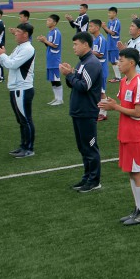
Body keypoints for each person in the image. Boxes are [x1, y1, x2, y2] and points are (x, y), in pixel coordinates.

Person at [98, 48, 140, 225]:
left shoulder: (139, 83)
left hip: (135, 135)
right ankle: (138, 208)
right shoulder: (124, 81)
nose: (118, 63)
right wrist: (110, 104)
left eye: (121, 61)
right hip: (125, 133)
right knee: (131, 172)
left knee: (138, 172)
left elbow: (138, 112)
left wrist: (115, 108)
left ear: (132, 63)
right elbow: (122, 104)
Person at [60, 32, 104, 192]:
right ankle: (87, 177)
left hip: (86, 112)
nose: (73, 48)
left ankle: (94, 180)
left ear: (86, 44)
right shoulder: (82, 63)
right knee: (83, 148)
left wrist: (69, 75)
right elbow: (75, 83)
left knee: (90, 148)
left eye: (76, 44)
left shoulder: (91, 63)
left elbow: (84, 86)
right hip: (79, 111)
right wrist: (70, 74)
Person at [0, 22, 36, 157]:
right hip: (16, 88)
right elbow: (6, 63)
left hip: (22, 89)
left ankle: (28, 148)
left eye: (18, 31)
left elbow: (11, 64)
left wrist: (2, 55)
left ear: (25, 34)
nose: (15, 33)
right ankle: (23, 145)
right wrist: (2, 55)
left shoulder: (28, 49)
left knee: (26, 119)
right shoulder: (19, 47)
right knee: (21, 120)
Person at [37, 15, 63, 106]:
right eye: (47, 20)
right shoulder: (50, 32)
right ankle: (56, 98)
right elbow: (49, 45)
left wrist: (45, 40)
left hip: (55, 59)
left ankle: (60, 99)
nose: (47, 22)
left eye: (49, 20)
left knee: (56, 79)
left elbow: (55, 45)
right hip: (50, 59)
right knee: (52, 79)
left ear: (54, 23)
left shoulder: (56, 32)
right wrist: (44, 41)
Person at [87, 20, 109, 121]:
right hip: (95, 68)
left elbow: (100, 54)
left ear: (97, 27)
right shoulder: (93, 38)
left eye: (91, 26)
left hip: (101, 69)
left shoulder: (101, 39)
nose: (89, 28)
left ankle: (103, 113)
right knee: (96, 91)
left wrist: (87, 50)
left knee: (101, 92)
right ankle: (98, 110)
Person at [104, 7, 123, 82]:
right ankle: (117, 77)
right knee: (112, 61)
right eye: (108, 12)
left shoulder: (116, 22)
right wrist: (105, 28)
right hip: (109, 43)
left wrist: (105, 27)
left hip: (114, 44)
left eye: (110, 12)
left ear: (115, 13)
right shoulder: (110, 21)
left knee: (116, 60)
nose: (109, 14)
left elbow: (113, 32)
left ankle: (119, 77)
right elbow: (108, 32)